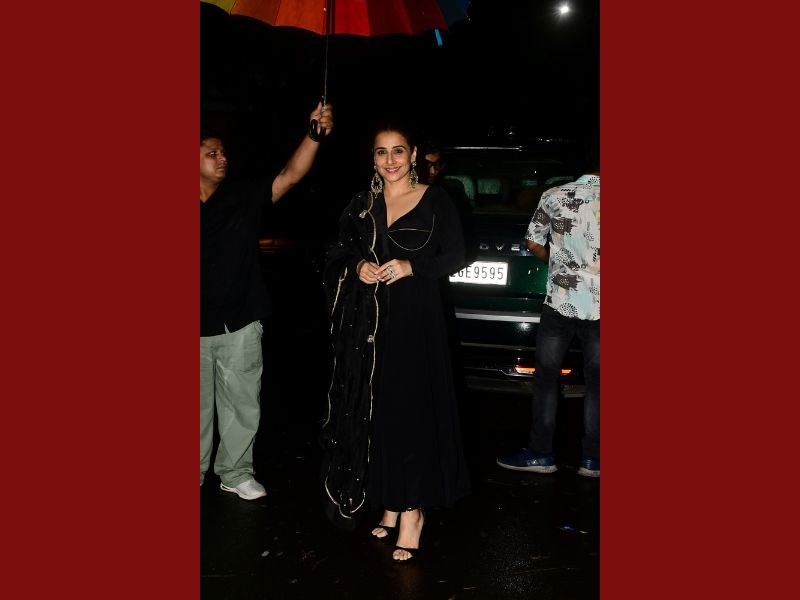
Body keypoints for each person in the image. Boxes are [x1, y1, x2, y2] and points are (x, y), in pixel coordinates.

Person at [321, 122, 470, 562]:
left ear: (414, 154)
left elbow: (458, 255)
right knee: (378, 412)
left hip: (415, 321)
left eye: (398, 151)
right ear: (373, 158)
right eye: (381, 152)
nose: (390, 160)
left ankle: (412, 512)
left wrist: (412, 267)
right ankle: (389, 499)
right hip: (368, 324)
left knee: (410, 412)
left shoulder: (435, 199)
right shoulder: (362, 205)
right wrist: (357, 268)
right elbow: (337, 252)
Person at [200, 102, 334, 500]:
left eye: (223, 151)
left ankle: (236, 472)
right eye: (211, 152)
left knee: (242, 403)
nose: (222, 158)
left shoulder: (241, 196)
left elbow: (290, 175)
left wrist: (313, 135)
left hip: (240, 321)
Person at [496, 156, 600, 478]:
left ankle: (541, 454)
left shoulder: (554, 195)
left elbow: (533, 242)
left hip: (560, 302)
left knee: (546, 379)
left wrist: (556, 263)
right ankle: (593, 460)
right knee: (599, 384)